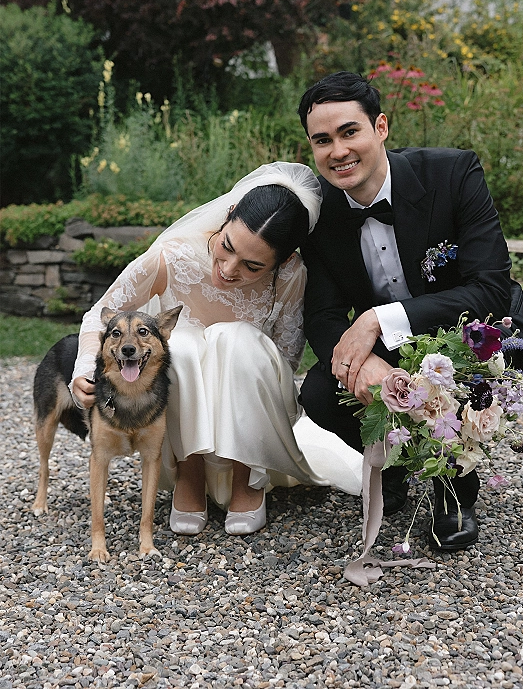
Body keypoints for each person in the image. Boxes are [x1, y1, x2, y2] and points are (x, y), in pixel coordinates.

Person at [297, 71, 523, 551]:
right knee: (321, 393)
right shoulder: (319, 214)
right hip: (391, 345)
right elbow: (323, 314)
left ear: (381, 127)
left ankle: (454, 492)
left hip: (476, 329)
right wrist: (361, 360)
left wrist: (375, 320)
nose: (338, 151)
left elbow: (490, 288)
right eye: (322, 140)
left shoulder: (452, 174)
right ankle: (395, 468)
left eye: (350, 132)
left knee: (470, 374)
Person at [71, 162, 362, 537]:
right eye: (226, 247)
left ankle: (247, 478)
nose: (227, 269)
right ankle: (188, 474)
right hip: (180, 399)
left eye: (253, 266)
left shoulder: (292, 276)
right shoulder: (172, 257)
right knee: (184, 343)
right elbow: (101, 313)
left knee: (236, 339)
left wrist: (231, 361)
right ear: (225, 219)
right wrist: (84, 369)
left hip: (249, 402)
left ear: (284, 260)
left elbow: (286, 358)